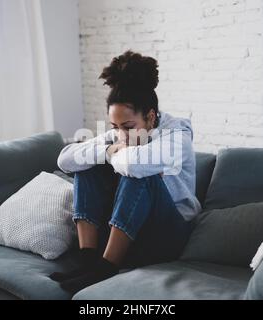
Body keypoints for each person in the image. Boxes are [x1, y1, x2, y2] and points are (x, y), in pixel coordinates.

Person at [49, 50, 201, 294]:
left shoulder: (176, 136)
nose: (121, 135)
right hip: (135, 235)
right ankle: (88, 261)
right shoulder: (121, 134)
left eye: (128, 127)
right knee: (87, 168)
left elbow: (134, 166)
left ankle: (105, 269)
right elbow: (65, 159)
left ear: (150, 117)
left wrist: (112, 155)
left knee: (140, 175)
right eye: (114, 127)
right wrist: (107, 152)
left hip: (169, 236)